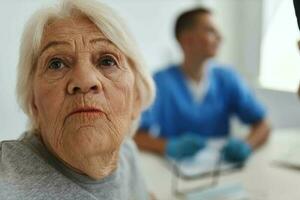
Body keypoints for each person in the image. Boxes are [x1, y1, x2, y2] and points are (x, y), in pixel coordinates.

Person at [0, 0, 156, 199]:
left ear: (136, 98)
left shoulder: (127, 154)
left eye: (107, 61)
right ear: (33, 103)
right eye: (56, 64)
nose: (84, 80)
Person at [134, 7, 270, 162]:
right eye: (210, 31)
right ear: (187, 39)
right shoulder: (160, 82)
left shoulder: (227, 79)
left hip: (222, 168)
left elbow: (263, 124)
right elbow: (137, 135)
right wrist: (168, 146)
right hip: (175, 173)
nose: (220, 37)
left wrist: (247, 145)